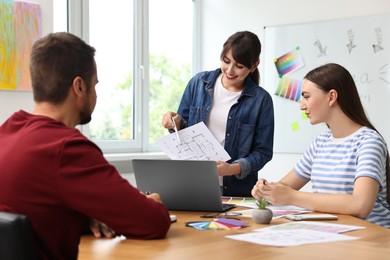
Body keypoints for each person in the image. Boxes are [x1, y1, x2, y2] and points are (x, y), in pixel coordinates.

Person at [0, 32, 171, 260]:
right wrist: (152, 202)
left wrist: (81, 216)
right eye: (95, 84)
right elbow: (153, 222)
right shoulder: (67, 149)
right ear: (79, 87)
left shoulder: (7, 131)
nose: (95, 93)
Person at [251, 63, 390, 228]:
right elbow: (286, 186)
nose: (302, 105)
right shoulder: (321, 142)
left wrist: (292, 197)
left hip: (371, 238)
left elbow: (360, 205)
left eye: (307, 96)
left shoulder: (369, 142)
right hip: (334, 233)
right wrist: (265, 190)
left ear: (331, 97)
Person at [162, 31, 274, 197]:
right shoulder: (198, 83)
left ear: (254, 65)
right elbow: (183, 129)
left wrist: (232, 169)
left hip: (237, 190)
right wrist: (174, 122)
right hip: (194, 184)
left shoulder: (261, 100)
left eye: (239, 66)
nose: (230, 70)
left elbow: (263, 152)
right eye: (226, 61)